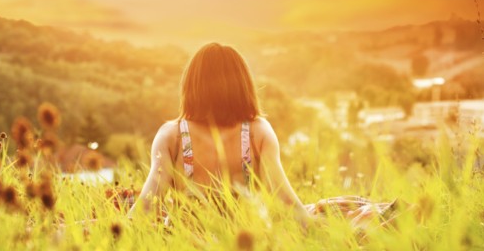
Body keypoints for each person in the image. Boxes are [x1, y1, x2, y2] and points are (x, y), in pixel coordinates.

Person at [127, 42, 395, 228]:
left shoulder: (171, 135)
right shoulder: (257, 131)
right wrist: (313, 225)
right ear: (242, 85)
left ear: (190, 87)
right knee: (339, 210)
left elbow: (148, 204)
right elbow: (286, 201)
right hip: (249, 238)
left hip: (188, 240)